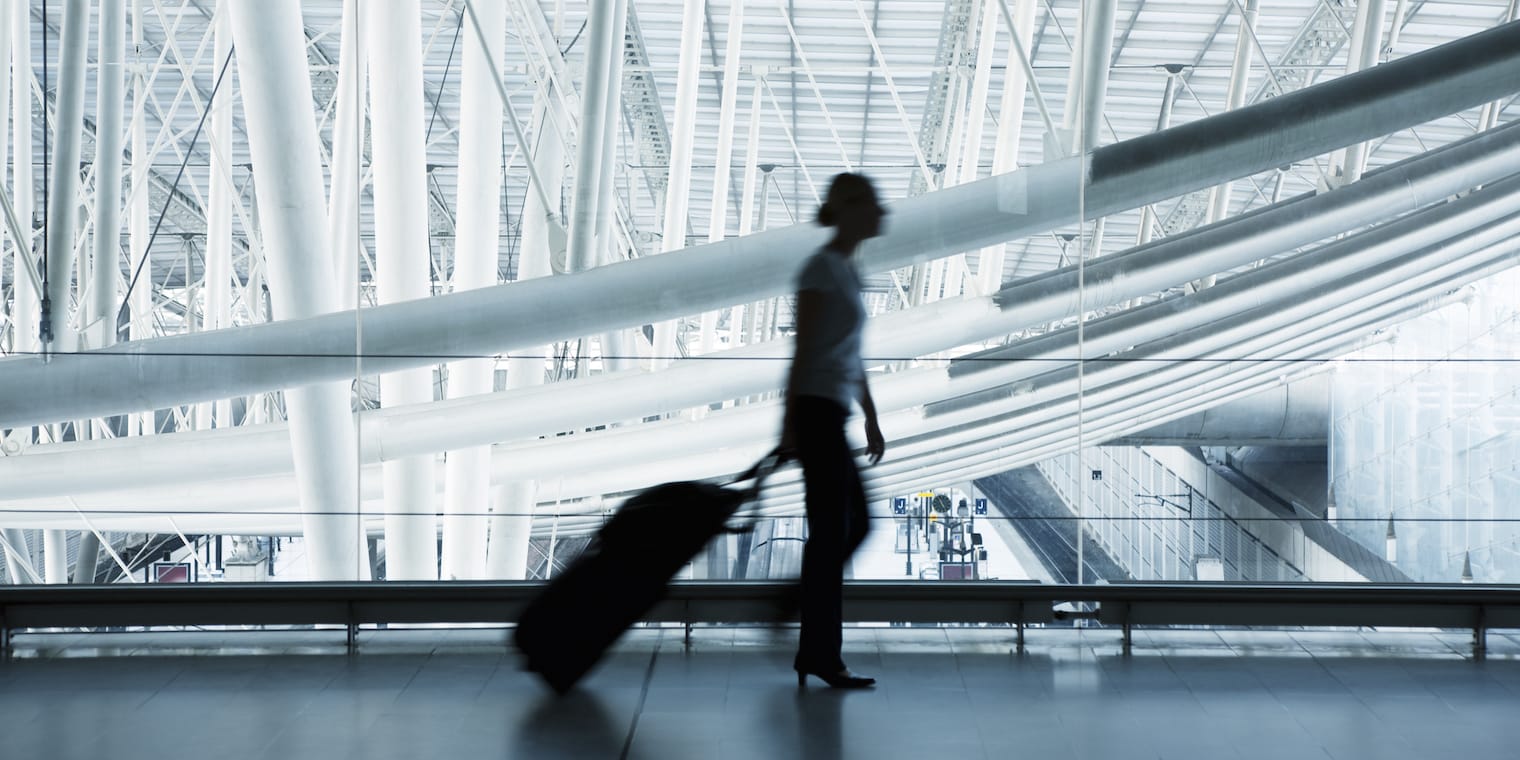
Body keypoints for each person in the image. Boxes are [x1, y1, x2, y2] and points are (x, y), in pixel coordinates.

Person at [779, 173, 887, 689]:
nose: (880, 212)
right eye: (871, 204)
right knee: (839, 530)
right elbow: (803, 351)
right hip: (816, 413)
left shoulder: (847, 270)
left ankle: (809, 634)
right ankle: (819, 650)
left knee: (845, 528)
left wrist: (870, 414)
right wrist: (790, 425)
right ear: (847, 210)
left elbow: (852, 353)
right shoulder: (820, 269)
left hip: (833, 412)